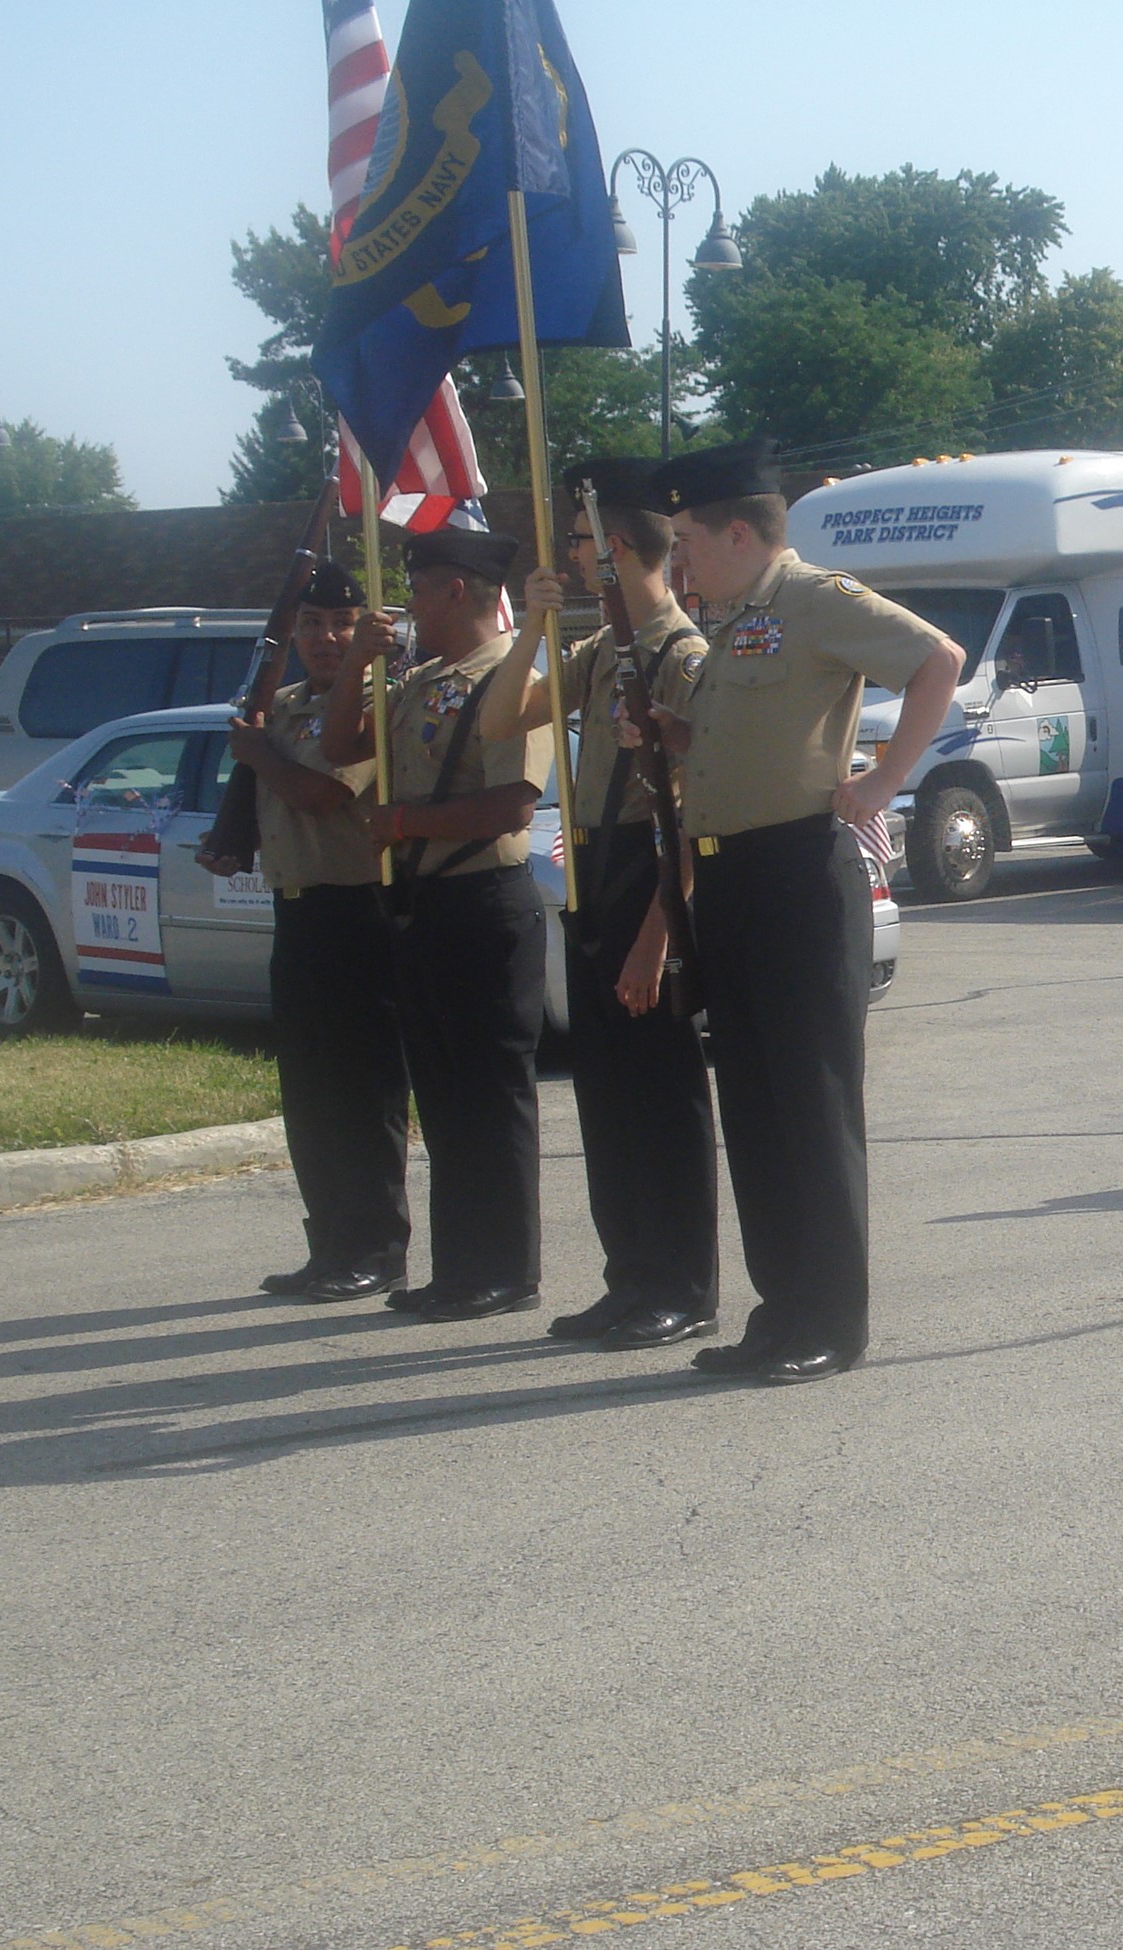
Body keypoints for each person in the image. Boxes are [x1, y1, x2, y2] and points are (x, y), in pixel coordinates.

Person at [635, 437, 966, 1384]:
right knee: (754, 1104)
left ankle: (832, 1319)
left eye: (688, 539)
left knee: (811, 1106)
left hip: (795, 877)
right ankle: (781, 1309)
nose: (682, 561)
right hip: (730, 877)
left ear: (738, 531)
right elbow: (744, 735)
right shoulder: (737, 621)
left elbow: (937, 660)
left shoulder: (815, 598)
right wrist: (671, 731)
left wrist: (886, 777)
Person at [479, 458, 720, 1351]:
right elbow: (506, 719)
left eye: (580, 542)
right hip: (590, 870)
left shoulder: (685, 658)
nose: (572, 557)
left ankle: (683, 1284)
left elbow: (694, 815)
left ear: (616, 546)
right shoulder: (594, 652)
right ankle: (632, 1278)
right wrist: (534, 623)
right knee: (609, 1100)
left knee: (661, 1096)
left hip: (647, 884)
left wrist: (658, 937)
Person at [321, 526, 556, 1320]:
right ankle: (460, 1267)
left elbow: (510, 805)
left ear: (457, 590)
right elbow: (342, 749)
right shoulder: (424, 679)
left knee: (491, 1096)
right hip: (427, 908)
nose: (408, 606)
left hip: (484, 903)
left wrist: (407, 826)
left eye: (418, 589)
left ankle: (505, 1269)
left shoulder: (511, 675)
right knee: (446, 1097)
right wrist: (358, 662)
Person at [221, 560, 412, 1302]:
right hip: (296, 909)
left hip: (353, 912)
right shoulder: (290, 703)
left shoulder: (371, 705)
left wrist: (257, 753)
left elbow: (321, 790)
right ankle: (330, 1242)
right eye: (311, 624)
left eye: (339, 624)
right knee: (310, 1091)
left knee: (363, 1091)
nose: (326, 637)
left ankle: (376, 1246)